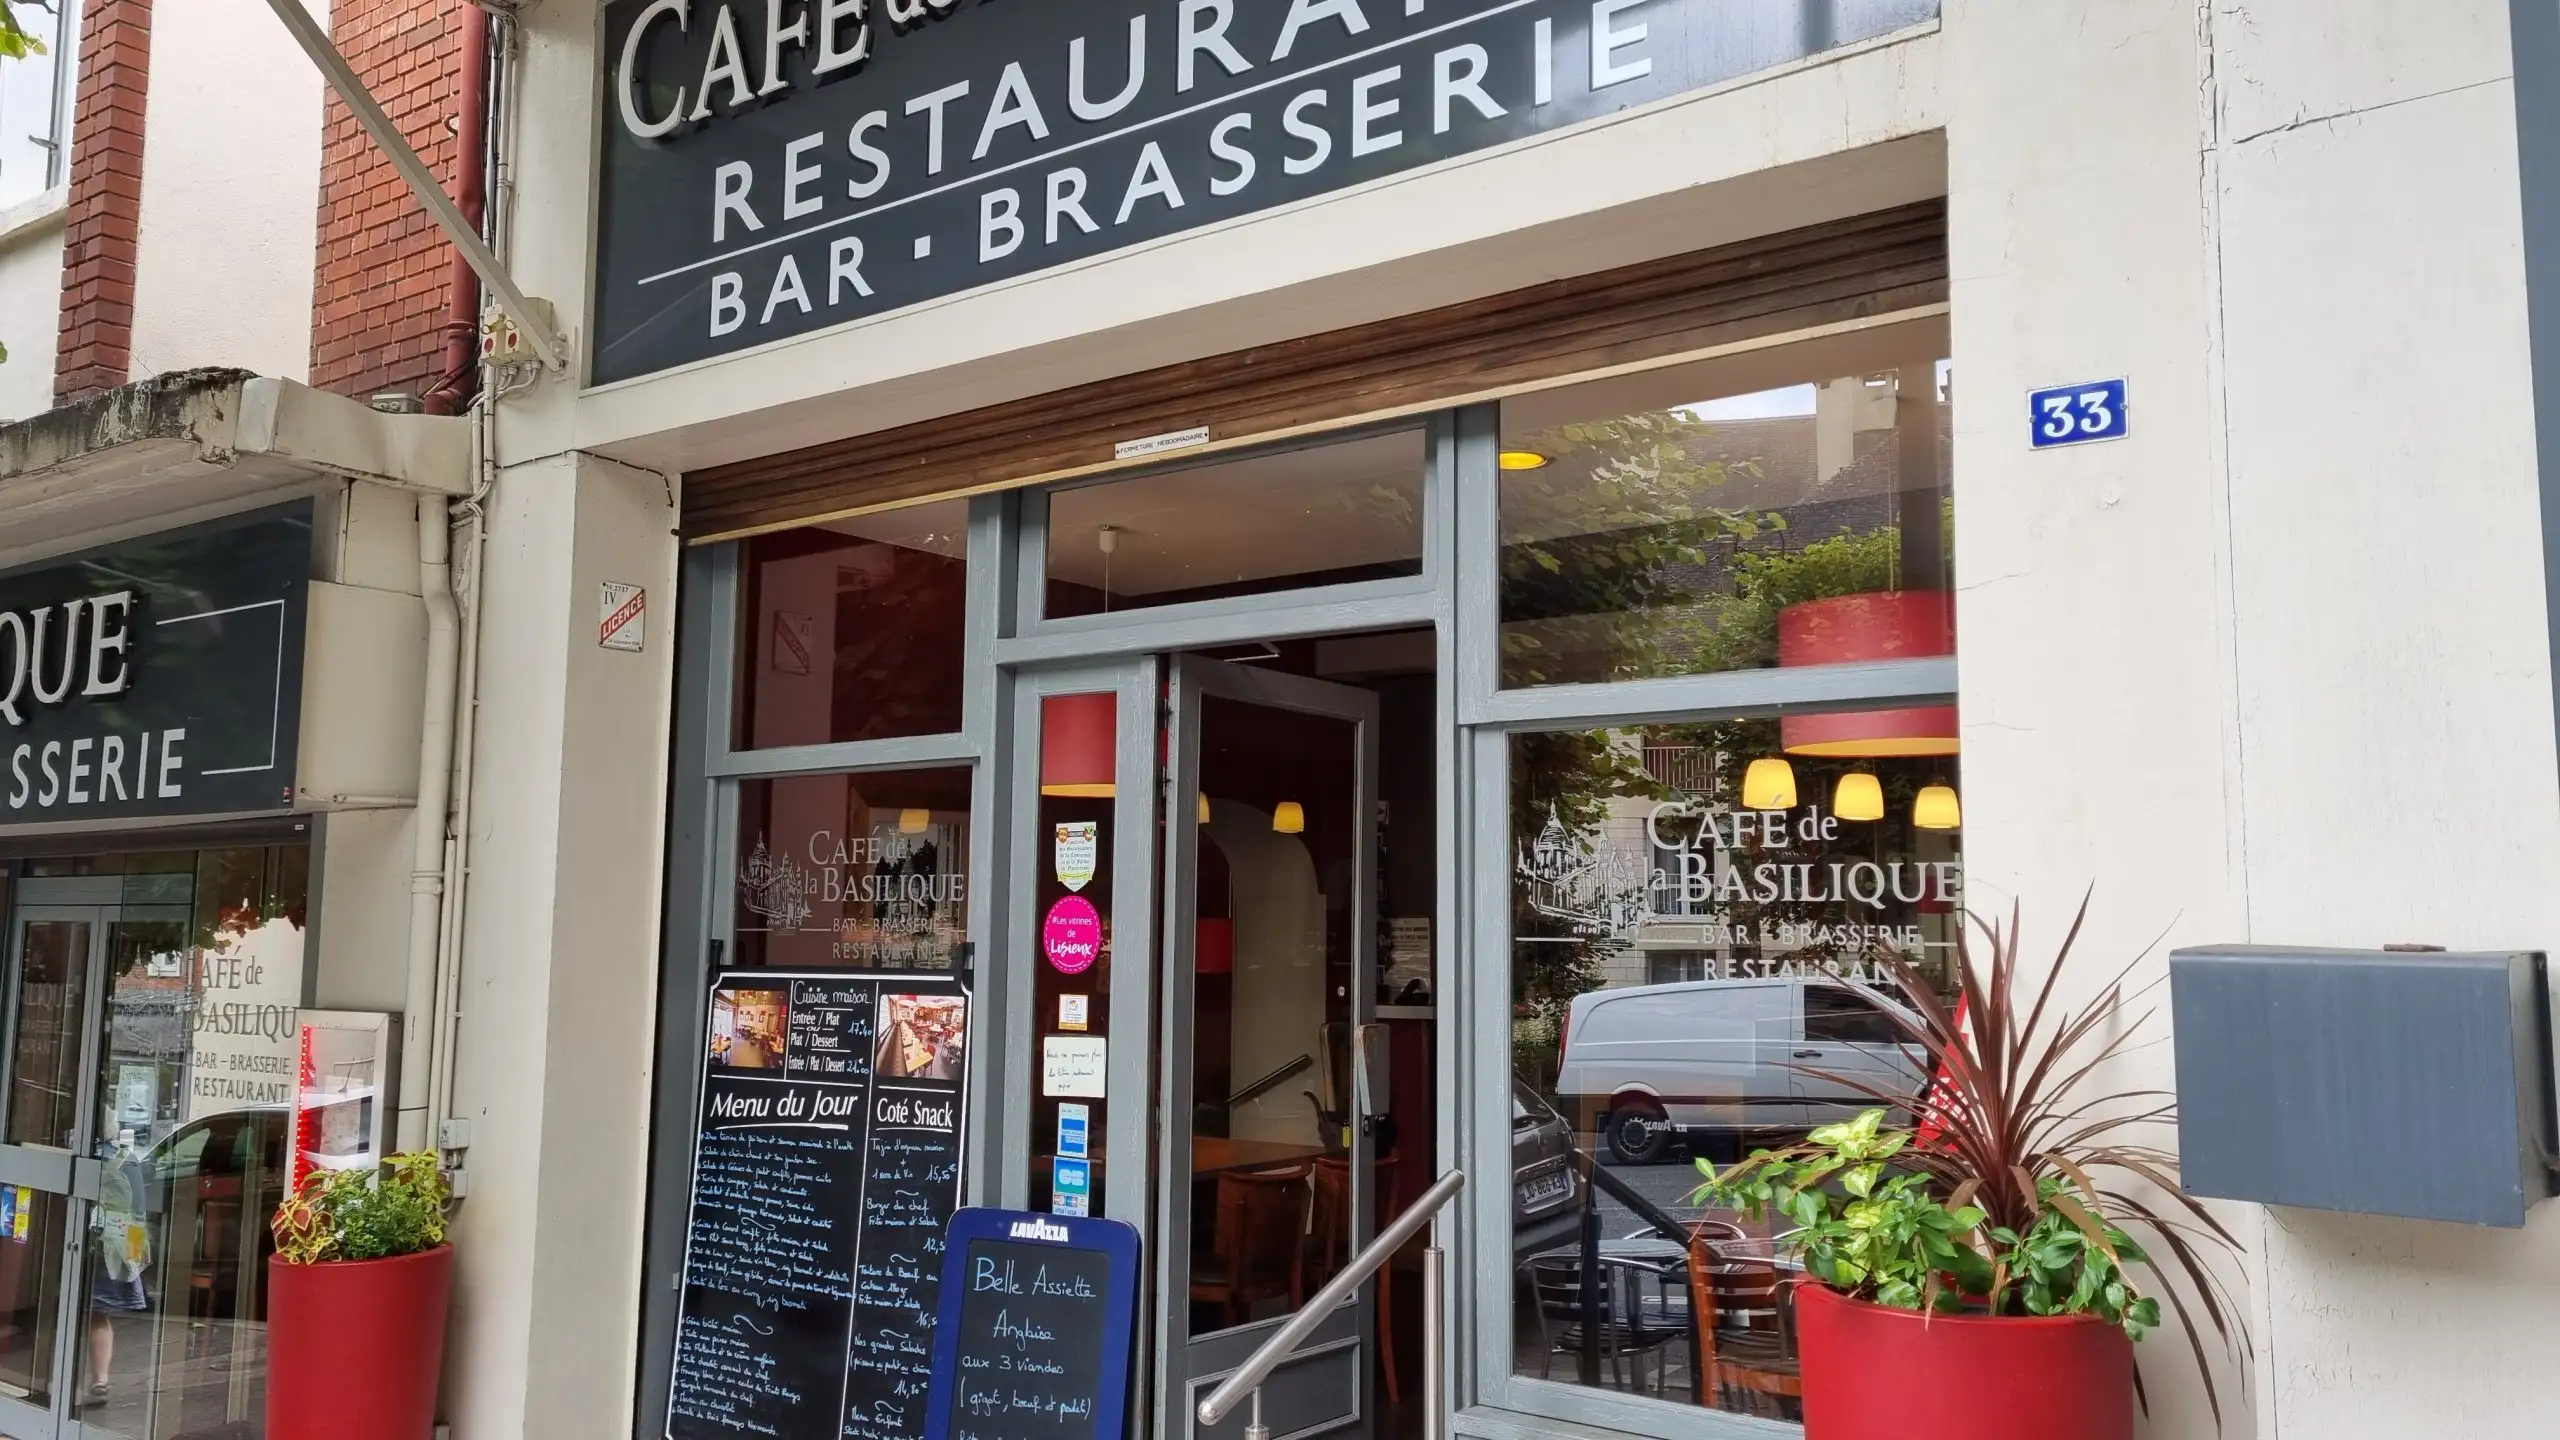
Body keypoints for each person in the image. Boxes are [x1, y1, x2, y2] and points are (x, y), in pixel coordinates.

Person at [86, 1128, 151, 1404]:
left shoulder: (89, 1155)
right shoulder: (128, 1159)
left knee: (74, 1313)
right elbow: (139, 1211)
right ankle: (100, 1378)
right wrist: (134, 1259)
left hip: (86, 1240)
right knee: (99, 1315)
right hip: (113, 1245)